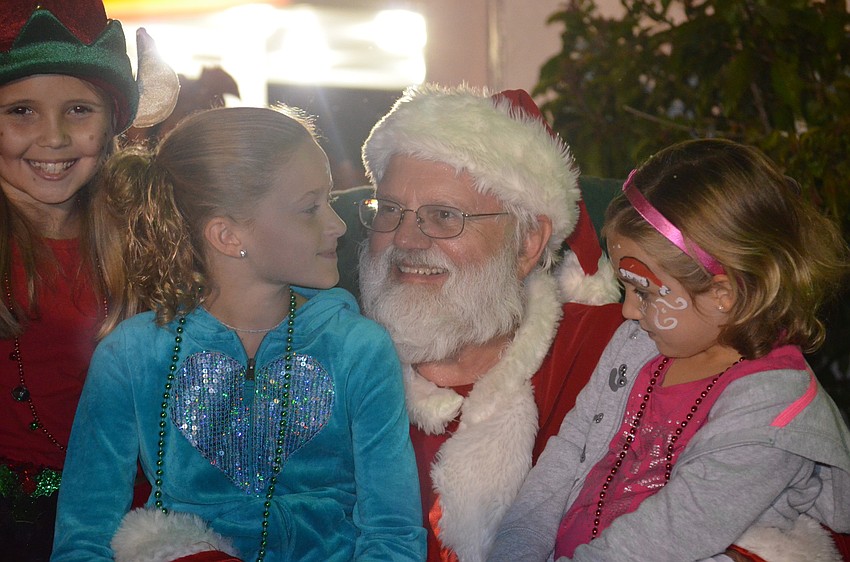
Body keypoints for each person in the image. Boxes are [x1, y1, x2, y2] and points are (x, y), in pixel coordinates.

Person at [51, 106, 426, 562]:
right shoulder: (132, 355)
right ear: (227, 236)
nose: (338, 224)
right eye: (310, 208)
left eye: (328, 201)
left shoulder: (358, 349)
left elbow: (393, 534)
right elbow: (84, 539)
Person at [488, 138, 850, 562]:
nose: (626, 311)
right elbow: (568, 453)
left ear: (723, 294)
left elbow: (671, 534)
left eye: (643, 291)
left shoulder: (774, 413)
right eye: (625, 288)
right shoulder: (636, 346)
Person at [355, 83, 625, 561]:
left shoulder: (609, 357)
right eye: (391, 210)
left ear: (527, 243)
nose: (407, 239)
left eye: (444, 216)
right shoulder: (324, 356)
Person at [0, 1, 177, 559]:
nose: (52, 139)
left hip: (130, 524)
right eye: (21, 111)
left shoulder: (152, 239)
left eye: (78, 110)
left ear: (114, 122)